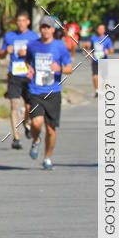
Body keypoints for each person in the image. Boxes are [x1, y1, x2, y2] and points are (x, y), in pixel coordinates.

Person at [26, 15, 73, 169]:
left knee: (51, 129)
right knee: (36, 122)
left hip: (53, 91)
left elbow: (69, 68)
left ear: (53, 29)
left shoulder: (60, 46)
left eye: (48, 27)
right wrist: (29, 69)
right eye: (43, 27)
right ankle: (36, 140)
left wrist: (59, 68)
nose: (45, 30)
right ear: (40, 29)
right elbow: (27, 61)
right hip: (36, 90)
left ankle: (47, 158)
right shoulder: (33, 45)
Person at [0, 10, 37, 149]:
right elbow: (1, 55)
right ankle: (16, 138)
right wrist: (5, 52)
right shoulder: (9, 36)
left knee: (29, 107)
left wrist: (27, 53)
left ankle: (26, 124)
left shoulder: (34, 37)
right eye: (18, 21)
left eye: (23, 21)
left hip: (28, 75)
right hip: (14, 75)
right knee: (14, 105)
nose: (20, 24)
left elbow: (38, 55)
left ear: (28, 22)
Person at [83, 23, 113, 97]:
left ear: (104, 30)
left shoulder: (107, 39)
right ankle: (97, 91)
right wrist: (90, 53)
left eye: (102, 29)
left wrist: (108, 51)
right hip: (95, 60)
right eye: (99, 29)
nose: (101, 30)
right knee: (95, 76)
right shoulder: (93, 38)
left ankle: (102, 90)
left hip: (104, 60)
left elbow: (111, 50)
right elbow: (90, 47)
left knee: (104, 77)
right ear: (97, 29)